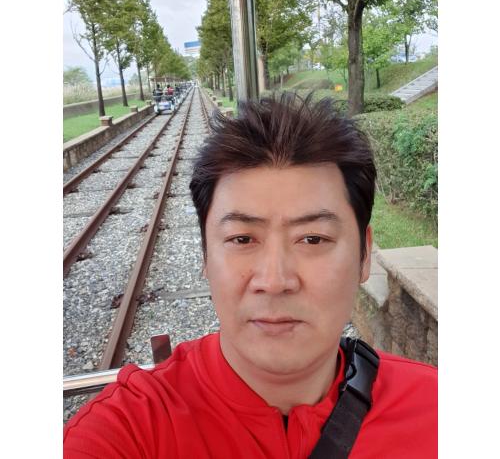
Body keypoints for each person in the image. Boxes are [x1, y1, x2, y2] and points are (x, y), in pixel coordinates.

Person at [63, 93, 437, 458]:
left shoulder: (434, 408)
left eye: (313, 239)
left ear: (364, 255)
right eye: (242, 239)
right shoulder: (131, 428)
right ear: (205, 256)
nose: (274, 282)